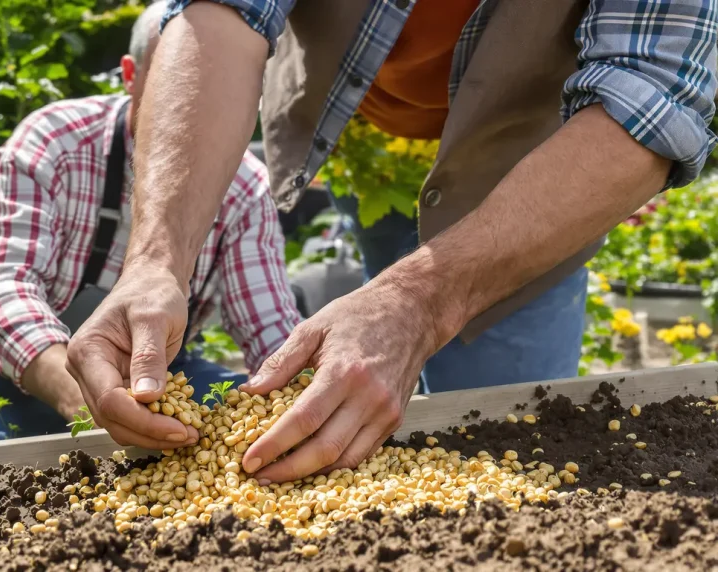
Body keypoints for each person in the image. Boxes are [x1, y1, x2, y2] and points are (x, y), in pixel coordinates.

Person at [65, 0, 717, 484]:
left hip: (532, 166)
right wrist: (153, 265)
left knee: (509, 431)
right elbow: (223, 11)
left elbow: (650, 96)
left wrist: (420, 302)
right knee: (378, 346)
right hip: (365, 132)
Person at [0, 2, 299, 451]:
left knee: (240, 429)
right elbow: (1, 290)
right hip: (0, 361)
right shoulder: (56, 139)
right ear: (131, 75)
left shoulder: (245, 186)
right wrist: (85, 397)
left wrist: (300, 395)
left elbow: (272, 329)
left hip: (150, 373)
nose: (200, 102)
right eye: (179, 79)